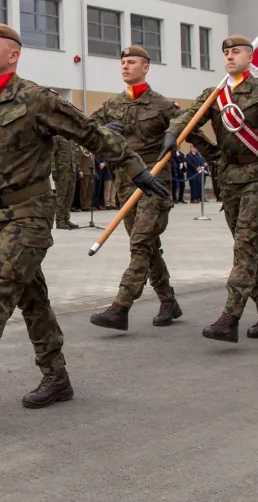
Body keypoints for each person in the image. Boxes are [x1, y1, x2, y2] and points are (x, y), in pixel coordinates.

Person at [0, 24, 168, 411]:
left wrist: (135, 169)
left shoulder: (35, 99)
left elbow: (90, 132)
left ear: (13, 55)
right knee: (31, 298)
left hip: (29, 213)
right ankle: (56, 376)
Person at [168, 34, 258, 343]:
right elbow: (189, 118)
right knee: (250, 248)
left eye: (236, 52)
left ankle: (230, 316)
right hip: (230, 178)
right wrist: (174, 133)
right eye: (226, 52)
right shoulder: (215, 94)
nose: (229, 56)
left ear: (250, 58)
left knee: (245, 243)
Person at [87, 45, 182, 331]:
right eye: (123, 62)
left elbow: (186, 119)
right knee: (147, 245)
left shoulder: (162, 104)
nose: (125, 67)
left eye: (132, 62)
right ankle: (168, 301)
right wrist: (103, 131)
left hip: (155, 183)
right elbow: (87, 125)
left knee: (141, 242)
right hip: (126, 185)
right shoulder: (112, 105)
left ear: (146, 67)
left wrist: (172, 132)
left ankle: (121, 306)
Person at [51, 136, 79, 230]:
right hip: (62, 171)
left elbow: (75, 154)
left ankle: (66, 218)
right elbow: (52, 153)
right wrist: (53, 169)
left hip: (72, 170)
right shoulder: (57, 137)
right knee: (61, 197)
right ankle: (60, 221)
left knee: (69, 197)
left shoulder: (71, 138)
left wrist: (77, 168)